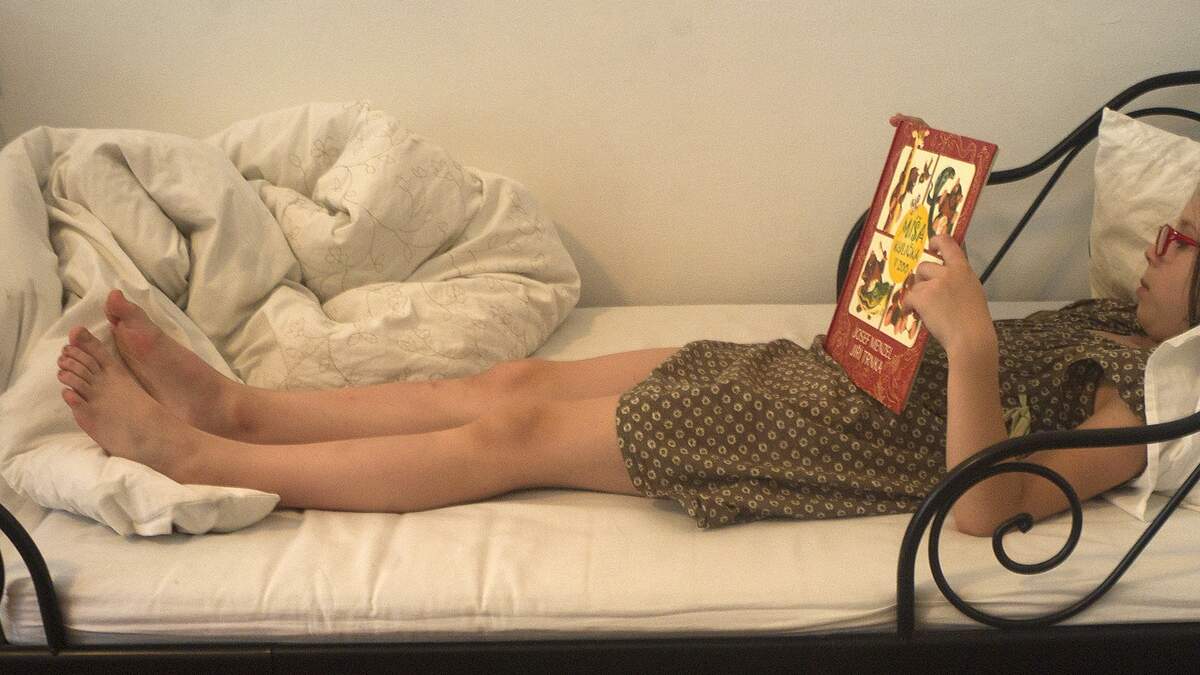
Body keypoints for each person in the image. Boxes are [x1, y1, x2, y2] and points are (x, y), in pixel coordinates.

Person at [55, 168, 1200, 537]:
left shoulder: (1147, 402)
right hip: (802, 371)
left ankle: (206, 459)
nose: (1159, 238)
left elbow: (988, 510)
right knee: (512, 380)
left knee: (513, 433)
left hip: (805, 434)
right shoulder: (1110, 316)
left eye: (1187, 240)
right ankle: (243, 409)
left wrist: (973, 339)